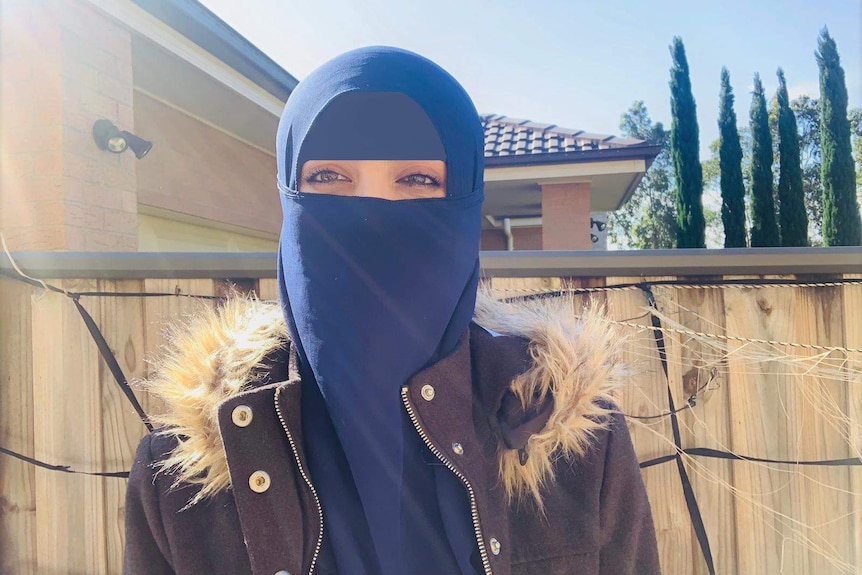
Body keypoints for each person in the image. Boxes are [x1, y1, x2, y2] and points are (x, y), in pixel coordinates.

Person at [123, 46, 660, 575]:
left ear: (467, 205)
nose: (372, 216)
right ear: (288, 199)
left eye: (417, 180)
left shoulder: (575, 448)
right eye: (329, 178)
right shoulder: (178, 482)